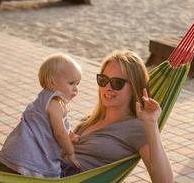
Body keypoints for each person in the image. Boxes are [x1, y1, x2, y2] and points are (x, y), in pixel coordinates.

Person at [62, 50, 173, 182]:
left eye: (117, 83)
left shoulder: (137, 128)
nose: (108, 87)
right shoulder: (88, 121)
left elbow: (164, 181)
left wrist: (152, 125)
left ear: (134, 87)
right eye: (103, 80)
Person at [0, 53, 82, 178]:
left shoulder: (44, 97)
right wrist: (70, 152)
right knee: (37, 174)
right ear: (52, 83)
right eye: (71, 83)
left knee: (15, 175)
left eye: (78, 84)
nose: (75, 89)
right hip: (32, 153)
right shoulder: (54, 104)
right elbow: (59, 133)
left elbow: (48, 125)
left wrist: (70, 135)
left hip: (20, 147)